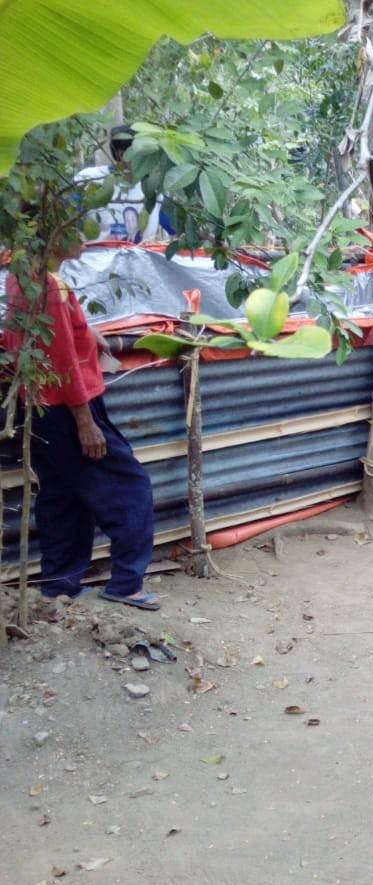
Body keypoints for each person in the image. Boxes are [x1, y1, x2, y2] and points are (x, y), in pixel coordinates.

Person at [3, 229, 160, 609]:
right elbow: (60, 359)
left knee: (62, 492)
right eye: (76, 228)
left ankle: (59, 581)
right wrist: (84, 421)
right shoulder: (47, 285)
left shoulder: (24, 275)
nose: (87, 237)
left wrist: (86, 330)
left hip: (40, 405)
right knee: (130, 487)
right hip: (66, 405)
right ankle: (126, 583)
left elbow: (35, 334)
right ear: (53, 233)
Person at [75, 125, 168, 244]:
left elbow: (177, 224)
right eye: (143, 154)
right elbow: (65, 217)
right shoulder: (89, 179)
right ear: (121, 154)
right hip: (96, 260)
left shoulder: (152, 190)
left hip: (140, 261)